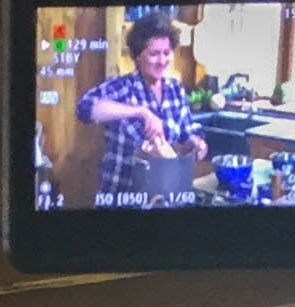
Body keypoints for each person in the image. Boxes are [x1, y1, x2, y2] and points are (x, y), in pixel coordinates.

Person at [78, 14, 208, 205]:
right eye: (154, 54)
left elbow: (186, 132)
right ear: (137, 56)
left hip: (164, 200)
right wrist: (142, 112)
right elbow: (85, 108)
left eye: (167, 53)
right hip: (121, 201)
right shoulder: (123, 87)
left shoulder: (175, 89)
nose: (162, 61)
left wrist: (197, 143)